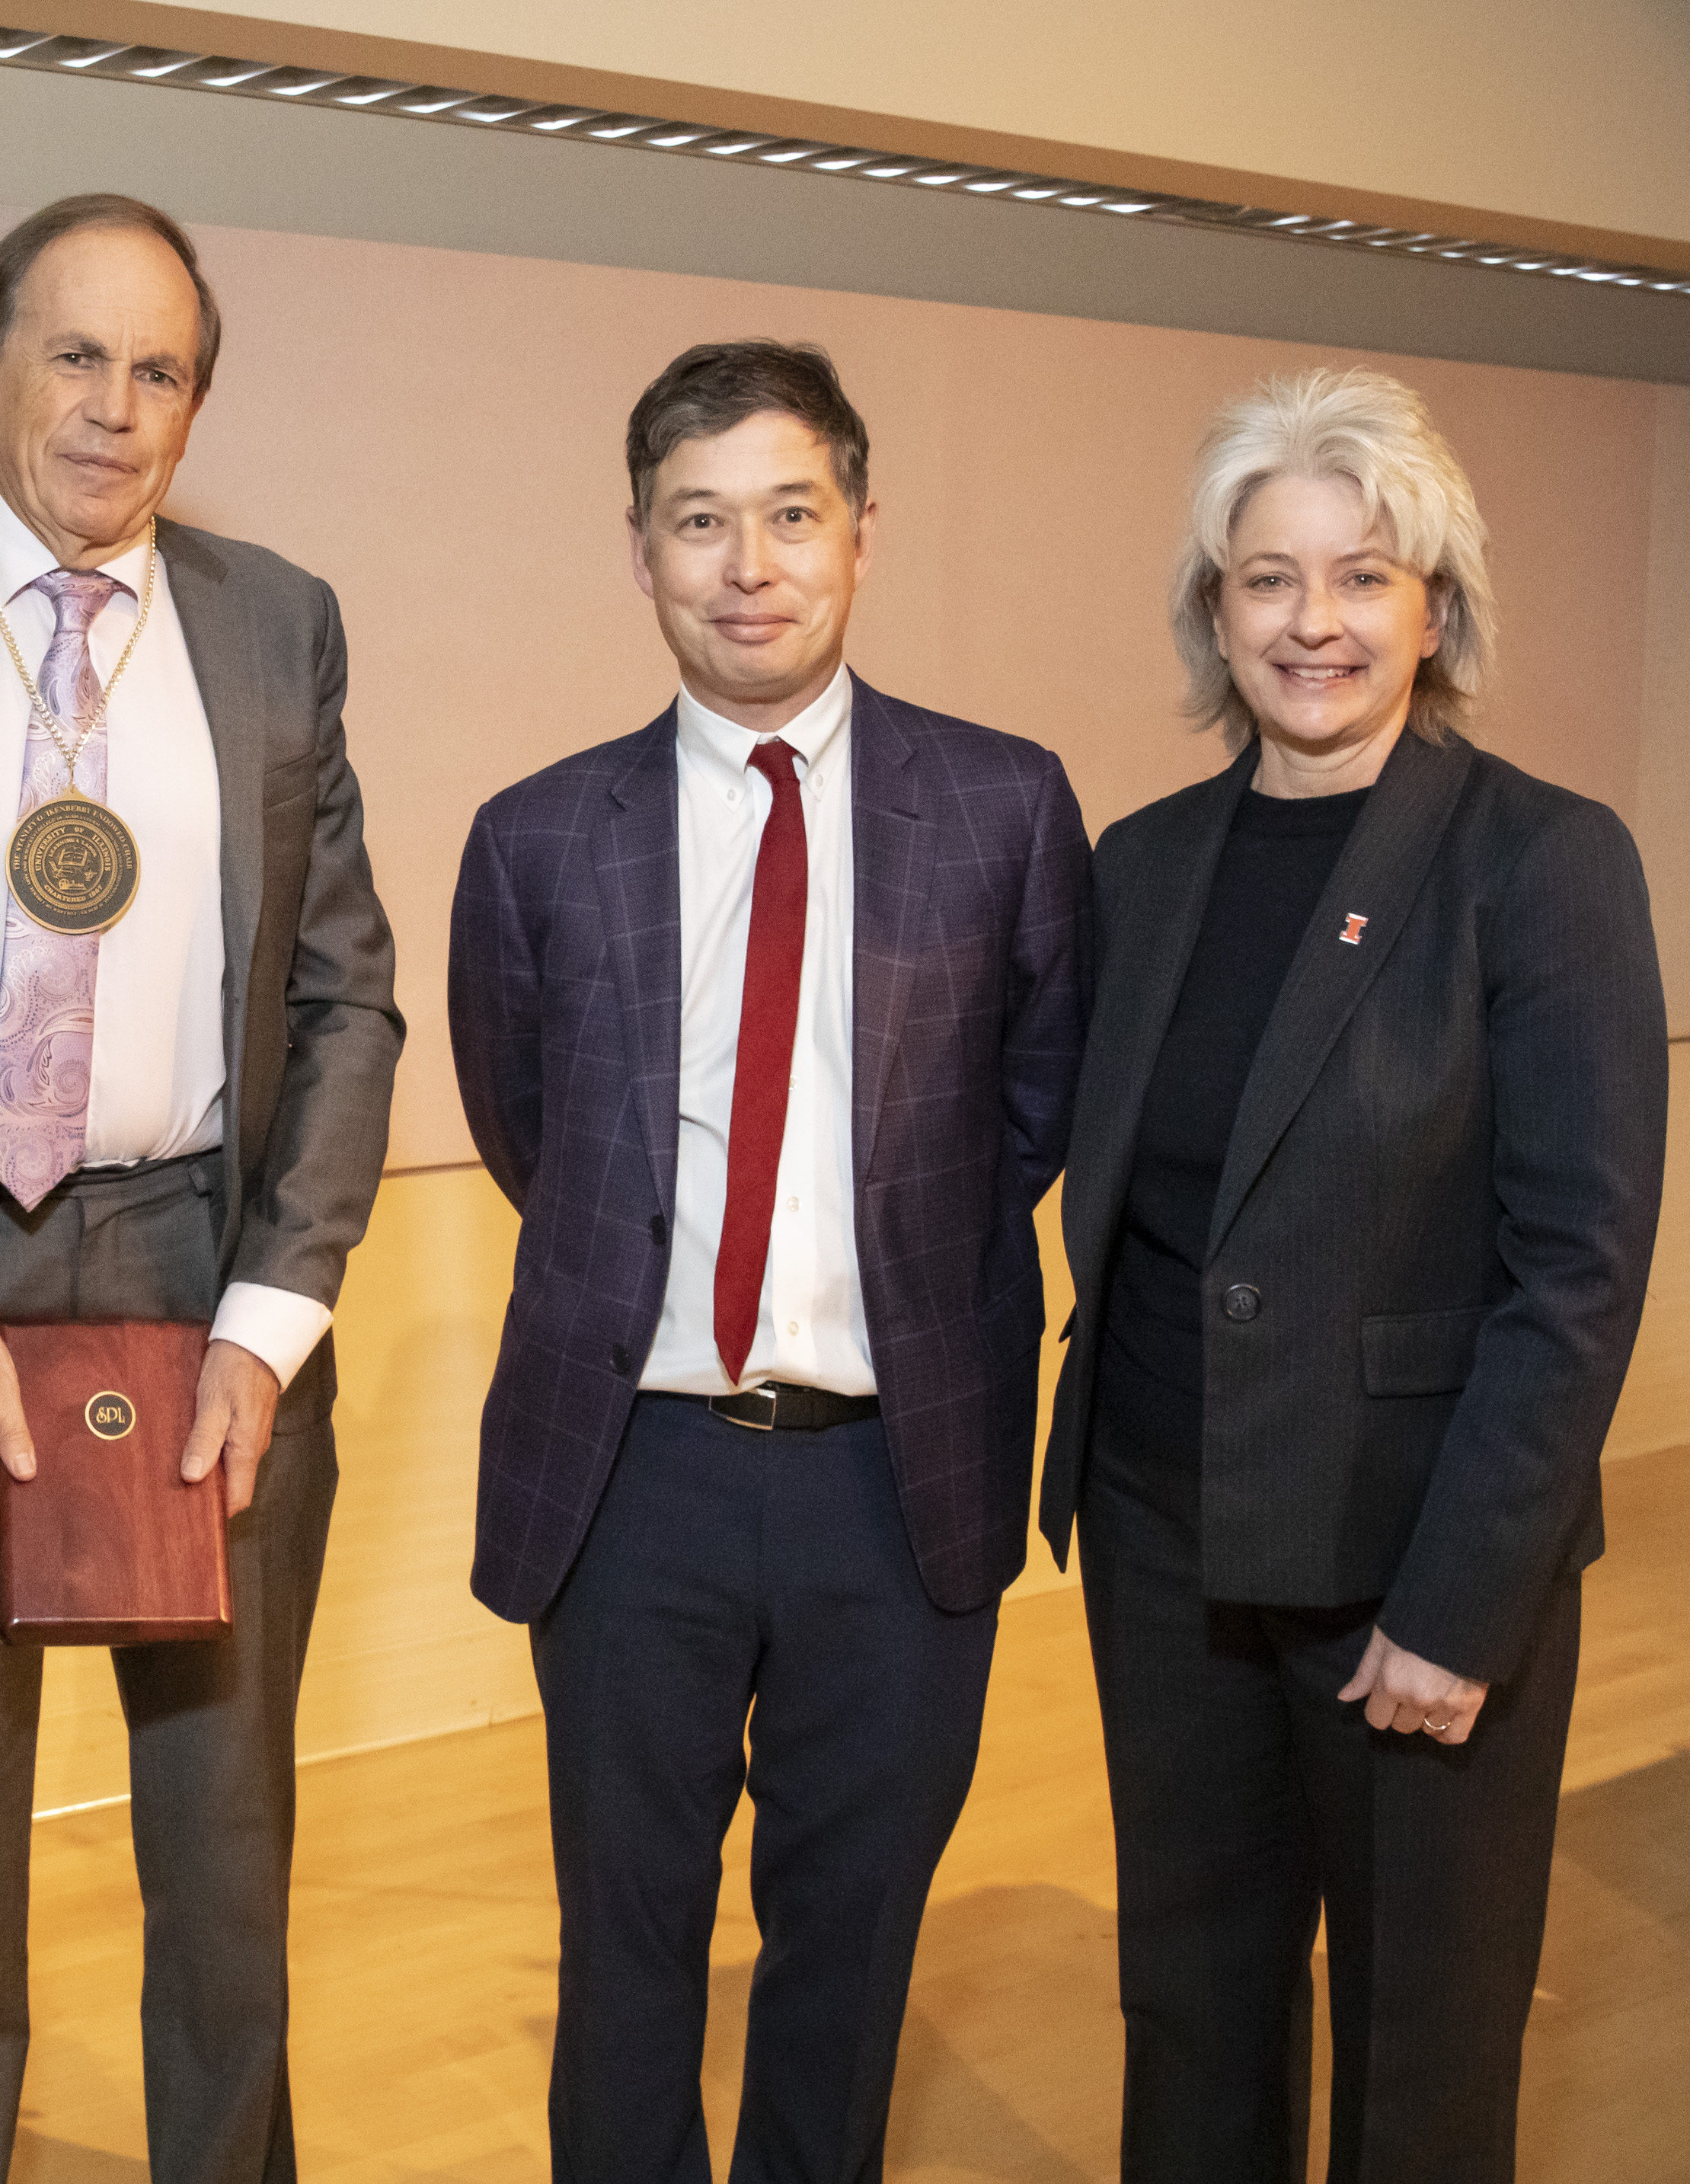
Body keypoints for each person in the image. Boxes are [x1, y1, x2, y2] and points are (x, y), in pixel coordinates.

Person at [0, 193, 402, 2184]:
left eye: (160, 368)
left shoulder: (278, 618)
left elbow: (347, 994)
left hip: (205, 1270)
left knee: (225, 1841)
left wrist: (276, 1319)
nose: (114, 407)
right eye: (73, 353)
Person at [447, 341, 1090, 2182]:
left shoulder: (1002, 809)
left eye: (788, 515)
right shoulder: (539, 835)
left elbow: (1023, 1117)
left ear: (861, 535)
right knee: (627, 1947)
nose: (748, 566)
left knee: (849, 1948)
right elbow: (532, 1132)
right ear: (638, 553)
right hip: (630, 1471)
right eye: (697, 522)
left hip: (897, 1477)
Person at [1037, 366, 1667, 2181]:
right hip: (1163, 1547)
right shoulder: (1139, 867)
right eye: (1265, 578)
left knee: (1420, 2057)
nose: (1312, 620)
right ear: (1210, 610)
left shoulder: (1535, 863)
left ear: (1434, 608)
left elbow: (1575, 1272)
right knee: (1189, 2010)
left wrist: (1461, 1605)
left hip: (1411, 1567)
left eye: (1362, 574)